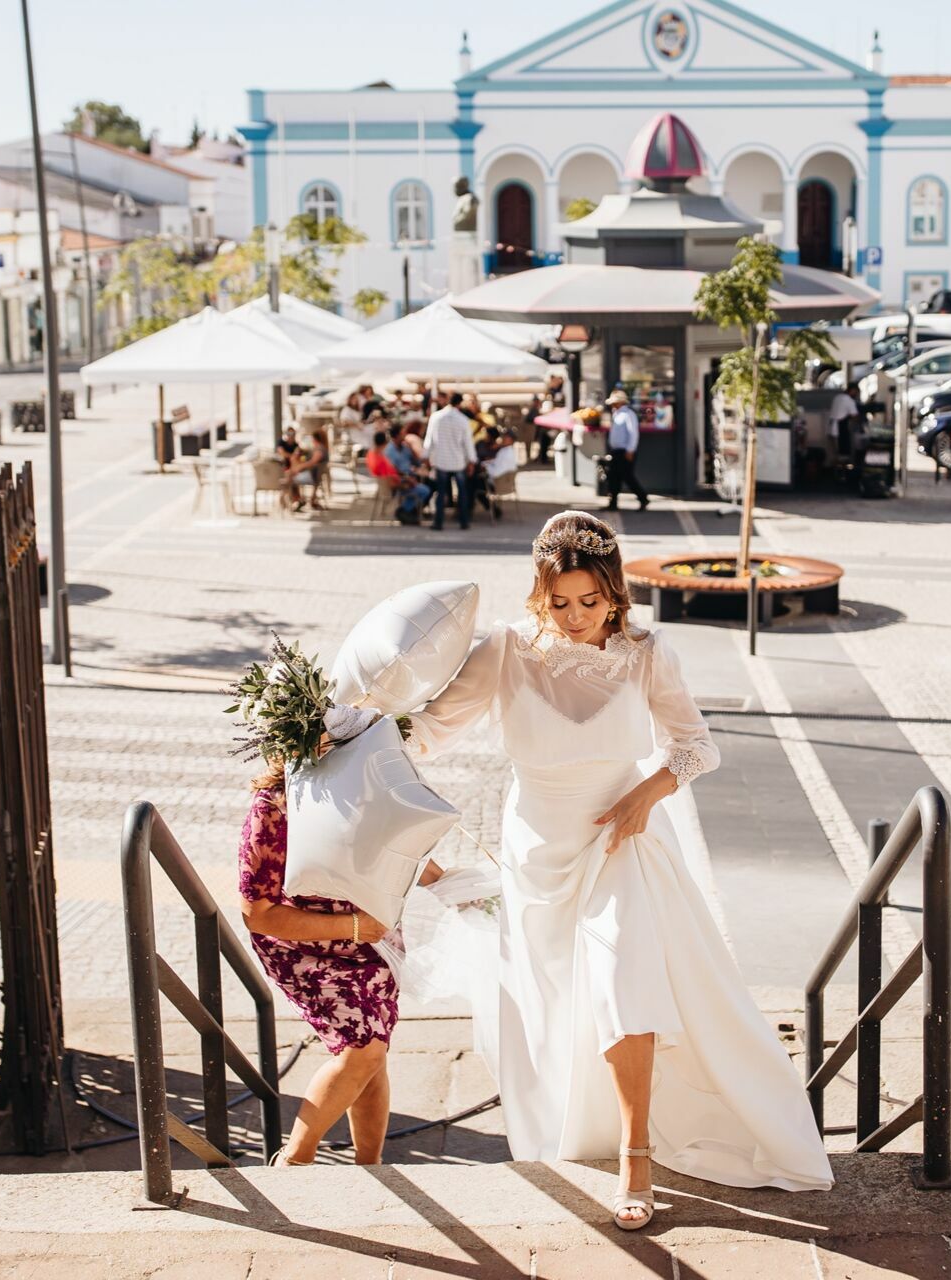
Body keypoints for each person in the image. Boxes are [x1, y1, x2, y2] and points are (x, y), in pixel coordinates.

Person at [406, 512, 833, 1228]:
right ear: (539, 594)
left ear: (614, 593)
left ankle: (636, 1154)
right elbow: (428, 731)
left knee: (621, 977)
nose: (575, 618)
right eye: (559, 602)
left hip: (623, 838)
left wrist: (649, 789)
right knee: (558, 1005)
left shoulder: (646, 652)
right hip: (539, 846)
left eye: (590, 601)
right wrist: (348, 738)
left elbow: (696, 745)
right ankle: (587, 1128)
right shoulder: (505, 650)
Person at [237, 757, 444, 1166]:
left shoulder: (370, 790)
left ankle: (370, 1166)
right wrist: (352, 926)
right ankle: (294, 1161)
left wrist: (462, 891)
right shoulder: (273, 809)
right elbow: (257, 914)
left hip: (372, 940)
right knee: (363, 1050)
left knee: (371, 1055)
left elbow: (406, 855)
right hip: (305, 945)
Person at [424, 391, 477, 531]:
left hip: (441, 460)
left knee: (441, 493)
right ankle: (464, 521)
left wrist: (426, 457)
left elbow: (429, 440)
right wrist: (471, 461)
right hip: (458, 461)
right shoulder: (463, 420)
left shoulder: (436, 417)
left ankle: (438, 522)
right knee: (462, 492)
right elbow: (468, 443)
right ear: (459, 403)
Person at [603, 389, 650, 512]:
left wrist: (630, 450)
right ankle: (613, 502)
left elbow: (633, 434)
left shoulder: (628, 414)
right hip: (616, 450)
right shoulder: (616, 414)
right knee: (614, 477)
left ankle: (642, 497)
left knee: (627, 476)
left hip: (624, 451)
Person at [381, 427, 433, 524]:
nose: (405, 436)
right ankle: (405, 509)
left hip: (410, 476)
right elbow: (392, 470)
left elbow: (416, 462)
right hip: (399, 479)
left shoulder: (405, 447)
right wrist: (407, 478)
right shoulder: (389, 451)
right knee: (425, 490)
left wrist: (412, 450)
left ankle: (414, 509)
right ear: (396, 436)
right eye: (402, 434)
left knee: (432, 483)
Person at [285, 427, 330, 513]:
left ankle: (298, 500)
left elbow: (312, 462)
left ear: (315, 439)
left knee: (290, 478)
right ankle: (299, 500)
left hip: (313, 477)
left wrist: (299, 467)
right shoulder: (322, 448)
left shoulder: (319, 450)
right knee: (291, 474)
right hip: (314, 476)